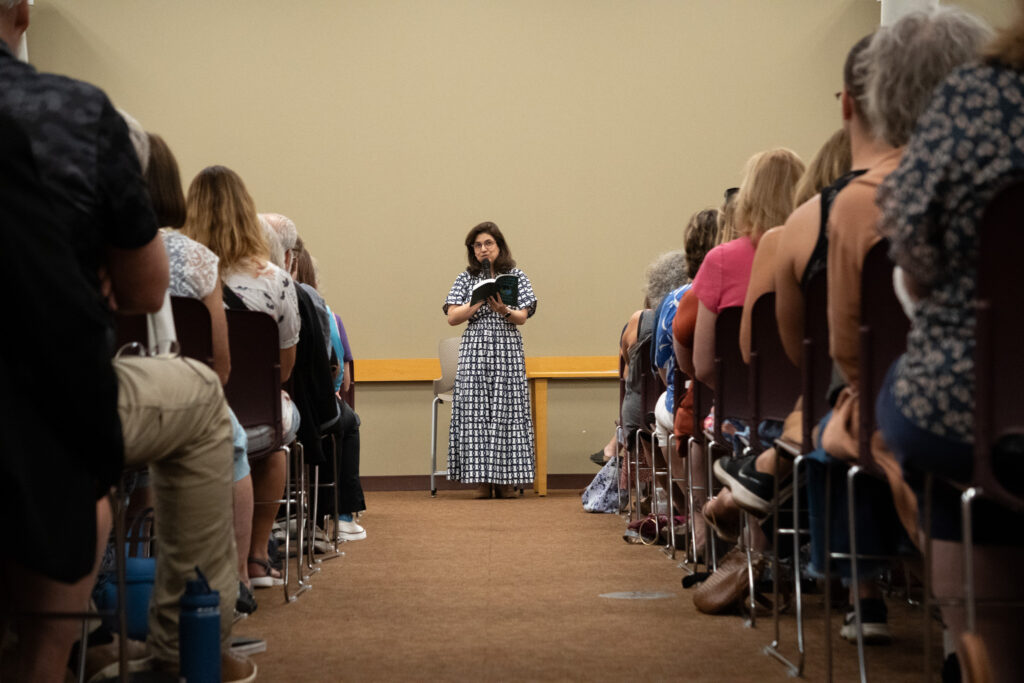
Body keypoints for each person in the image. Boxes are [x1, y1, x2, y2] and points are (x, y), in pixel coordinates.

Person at [0, 3, 252, 679]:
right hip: (39, 390)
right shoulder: (76, 113)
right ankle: (176, 647)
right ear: (23, 13)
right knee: (201, 397)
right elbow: (145, 291)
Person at [813, 7, 992, 644]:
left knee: (875, 426)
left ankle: (962, 639)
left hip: (946, 411)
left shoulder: (870, 197)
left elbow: (849, 348)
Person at [876, 4, 1024, 678]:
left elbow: (915, 263)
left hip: (978, 404)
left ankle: (977, 640)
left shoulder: (977, 101)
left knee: (925, 428)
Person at [182, 165, 301, 591]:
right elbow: (283, 371)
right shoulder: (276, 281)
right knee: (276, 445)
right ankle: (254, 556)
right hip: (255, 416)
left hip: (188, 411)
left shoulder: (176, 276)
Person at [444, 222, 538, 499]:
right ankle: (482, 480)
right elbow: (452, 317)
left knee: (507, 410)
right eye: (477, 245)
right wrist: (476, 303)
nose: (483, 249)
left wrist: (503, 309)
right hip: (474, 348)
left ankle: (506, 480)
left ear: (499, 246)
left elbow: (523, 316)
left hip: (507, 346)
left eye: (488, 244)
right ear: (472, 251)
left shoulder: (516, 276)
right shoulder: (465, 278)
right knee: (476, 413)